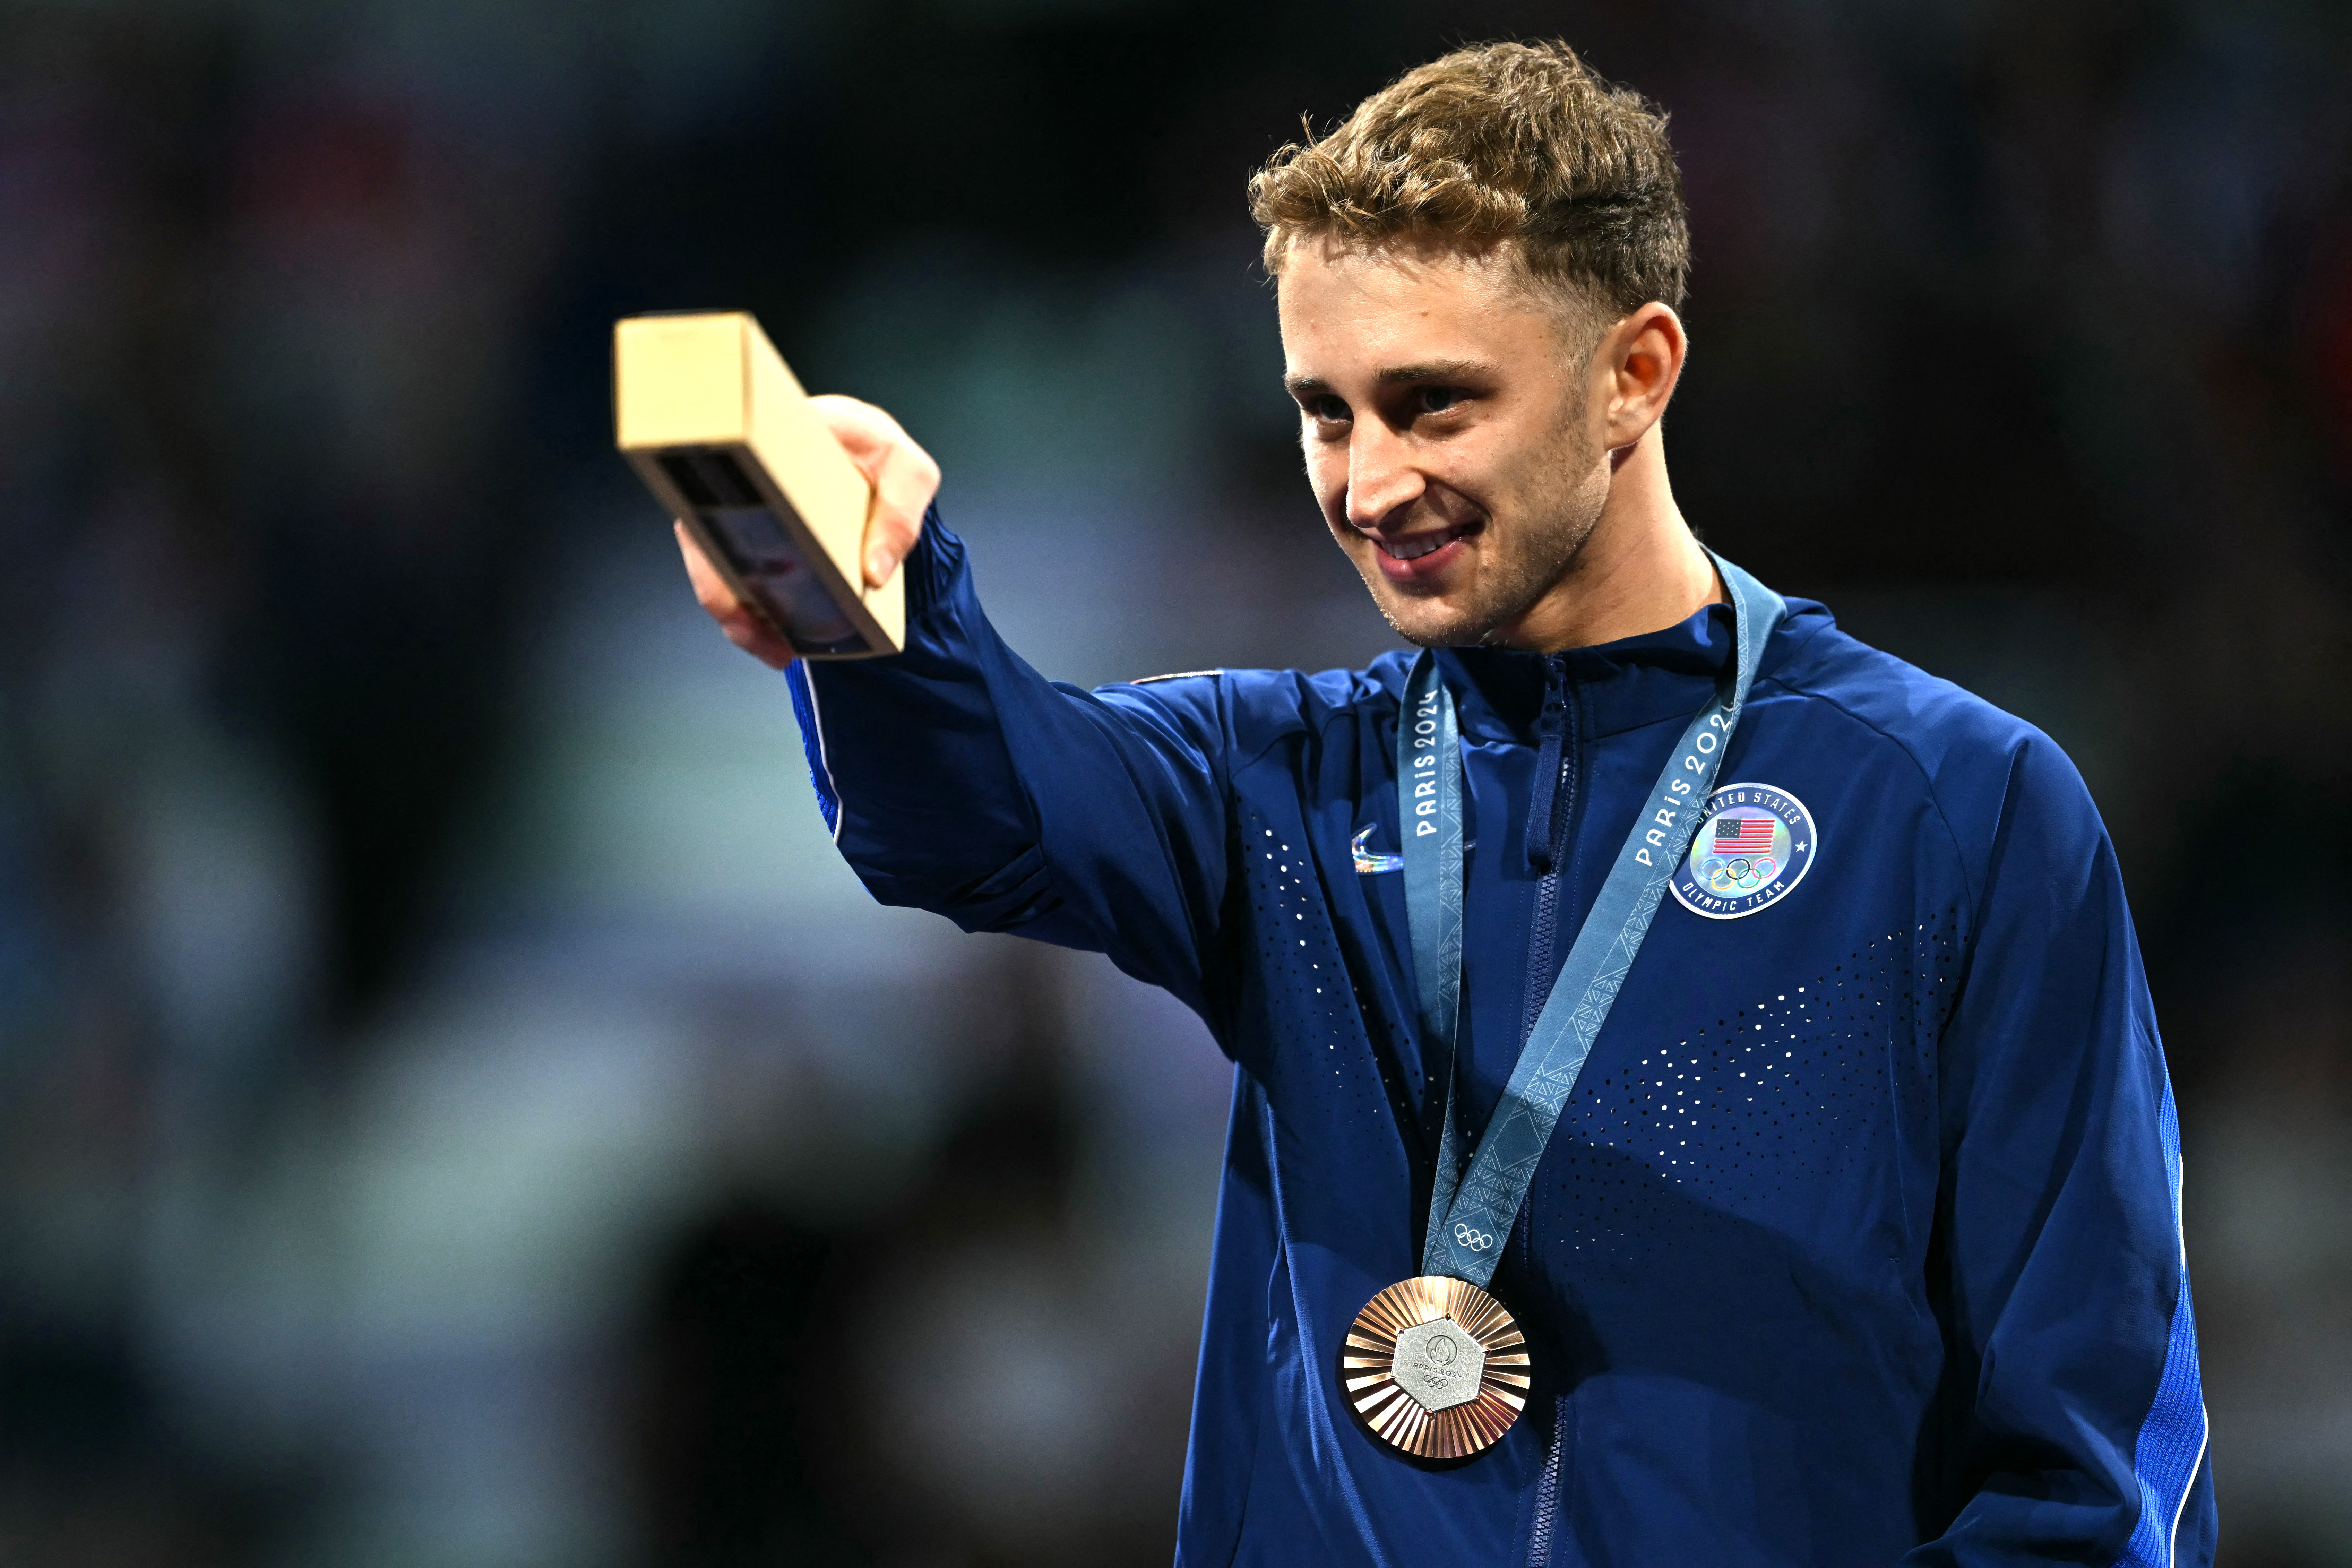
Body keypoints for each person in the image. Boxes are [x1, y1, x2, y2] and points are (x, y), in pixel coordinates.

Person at [677, 40, 2215, 1568]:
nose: (1366, 482)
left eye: (1431, 405)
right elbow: (974, 814)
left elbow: (2090, 1461)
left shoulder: (1955, 806)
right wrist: (868, 610)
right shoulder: (1276, 787)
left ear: (1636, 372)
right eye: (1324, 412)